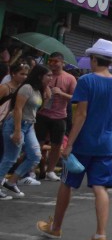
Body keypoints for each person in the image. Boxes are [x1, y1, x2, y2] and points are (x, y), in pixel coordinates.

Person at [36, 39, 112, 240]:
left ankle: (56, 227)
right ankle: (100, 234)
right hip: (106, 144)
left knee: (67, 183)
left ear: (94, 59)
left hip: (83, 143)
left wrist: (69, 145)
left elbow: (81, 115)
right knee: (100, 188)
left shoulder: (86, 81)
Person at [1, 63, 52, 196]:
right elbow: (18, 109)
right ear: (40, 76)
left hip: (29, 125)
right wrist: (17, 131)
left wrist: (47, 95)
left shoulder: (38, 90)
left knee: (35, 156)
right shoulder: (27, 88)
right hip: (16, 124)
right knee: (10, 158)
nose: (51, 78)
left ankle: (11, 182)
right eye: (48, 75)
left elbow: (35, 110)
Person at [37, 52, 76, 182]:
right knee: (38, 144)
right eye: (51, 61)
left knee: (56, 145)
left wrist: (61, 94)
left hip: (60, 116)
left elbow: (75, 98)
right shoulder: (44, 75)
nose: (53, 64)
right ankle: (33, 169)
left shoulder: (69, 78)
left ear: (62, 63)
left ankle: (50, 170)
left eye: (56, 61)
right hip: (42, 114)